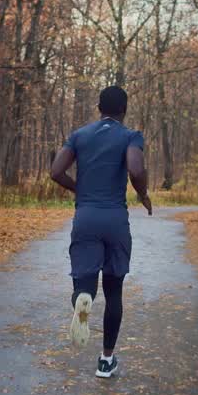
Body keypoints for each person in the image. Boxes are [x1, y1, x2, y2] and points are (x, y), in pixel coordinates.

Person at [49, 85, 151, 378]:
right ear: (125, 109)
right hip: (115, 220)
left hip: (86, 218)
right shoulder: (130, 136)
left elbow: (55, 172)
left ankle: (82, 300)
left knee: (84, 284)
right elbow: (134, 167)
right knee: (114, 290)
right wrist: (142, 193)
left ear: (99, 108)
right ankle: (106, 361)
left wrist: (79, 188)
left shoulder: (79, 135)